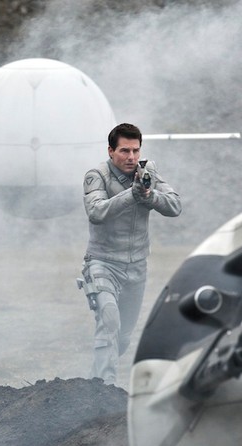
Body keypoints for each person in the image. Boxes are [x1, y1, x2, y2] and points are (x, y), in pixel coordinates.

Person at [80, 123, 182, 384]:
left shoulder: (146, 172)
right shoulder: (97, 176)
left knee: (123, 335)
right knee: (109, 320)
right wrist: (132, 194)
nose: (131, 157)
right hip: (103, 262)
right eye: (124, 151)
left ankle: (97, 376)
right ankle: (103, 390)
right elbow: (97, 212)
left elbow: (174, 206)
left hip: (136, 266)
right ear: (111, 151)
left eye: (136, 150)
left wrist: (149, 196)